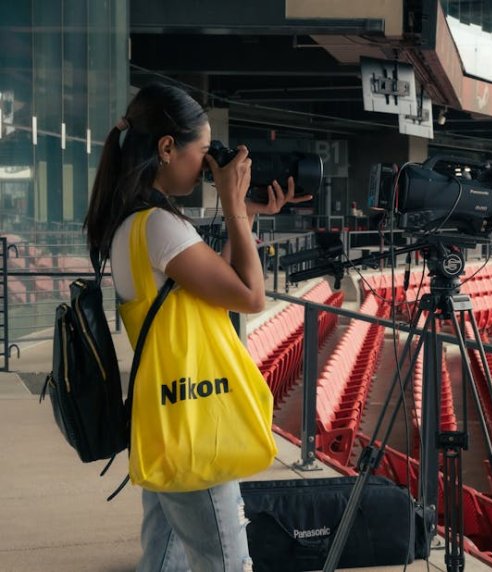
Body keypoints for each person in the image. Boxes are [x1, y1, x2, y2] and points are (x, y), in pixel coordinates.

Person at [84, 83, 311, 571]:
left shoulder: (137, 223)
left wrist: (245, 214)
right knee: (228, 564)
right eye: (204, 152)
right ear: (167, 148)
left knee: (163, 561)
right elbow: (250, 296)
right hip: (194, 417)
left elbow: (219, 286)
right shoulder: (159, 227)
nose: (210, 165)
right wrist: (232, 207)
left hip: (168, 416)